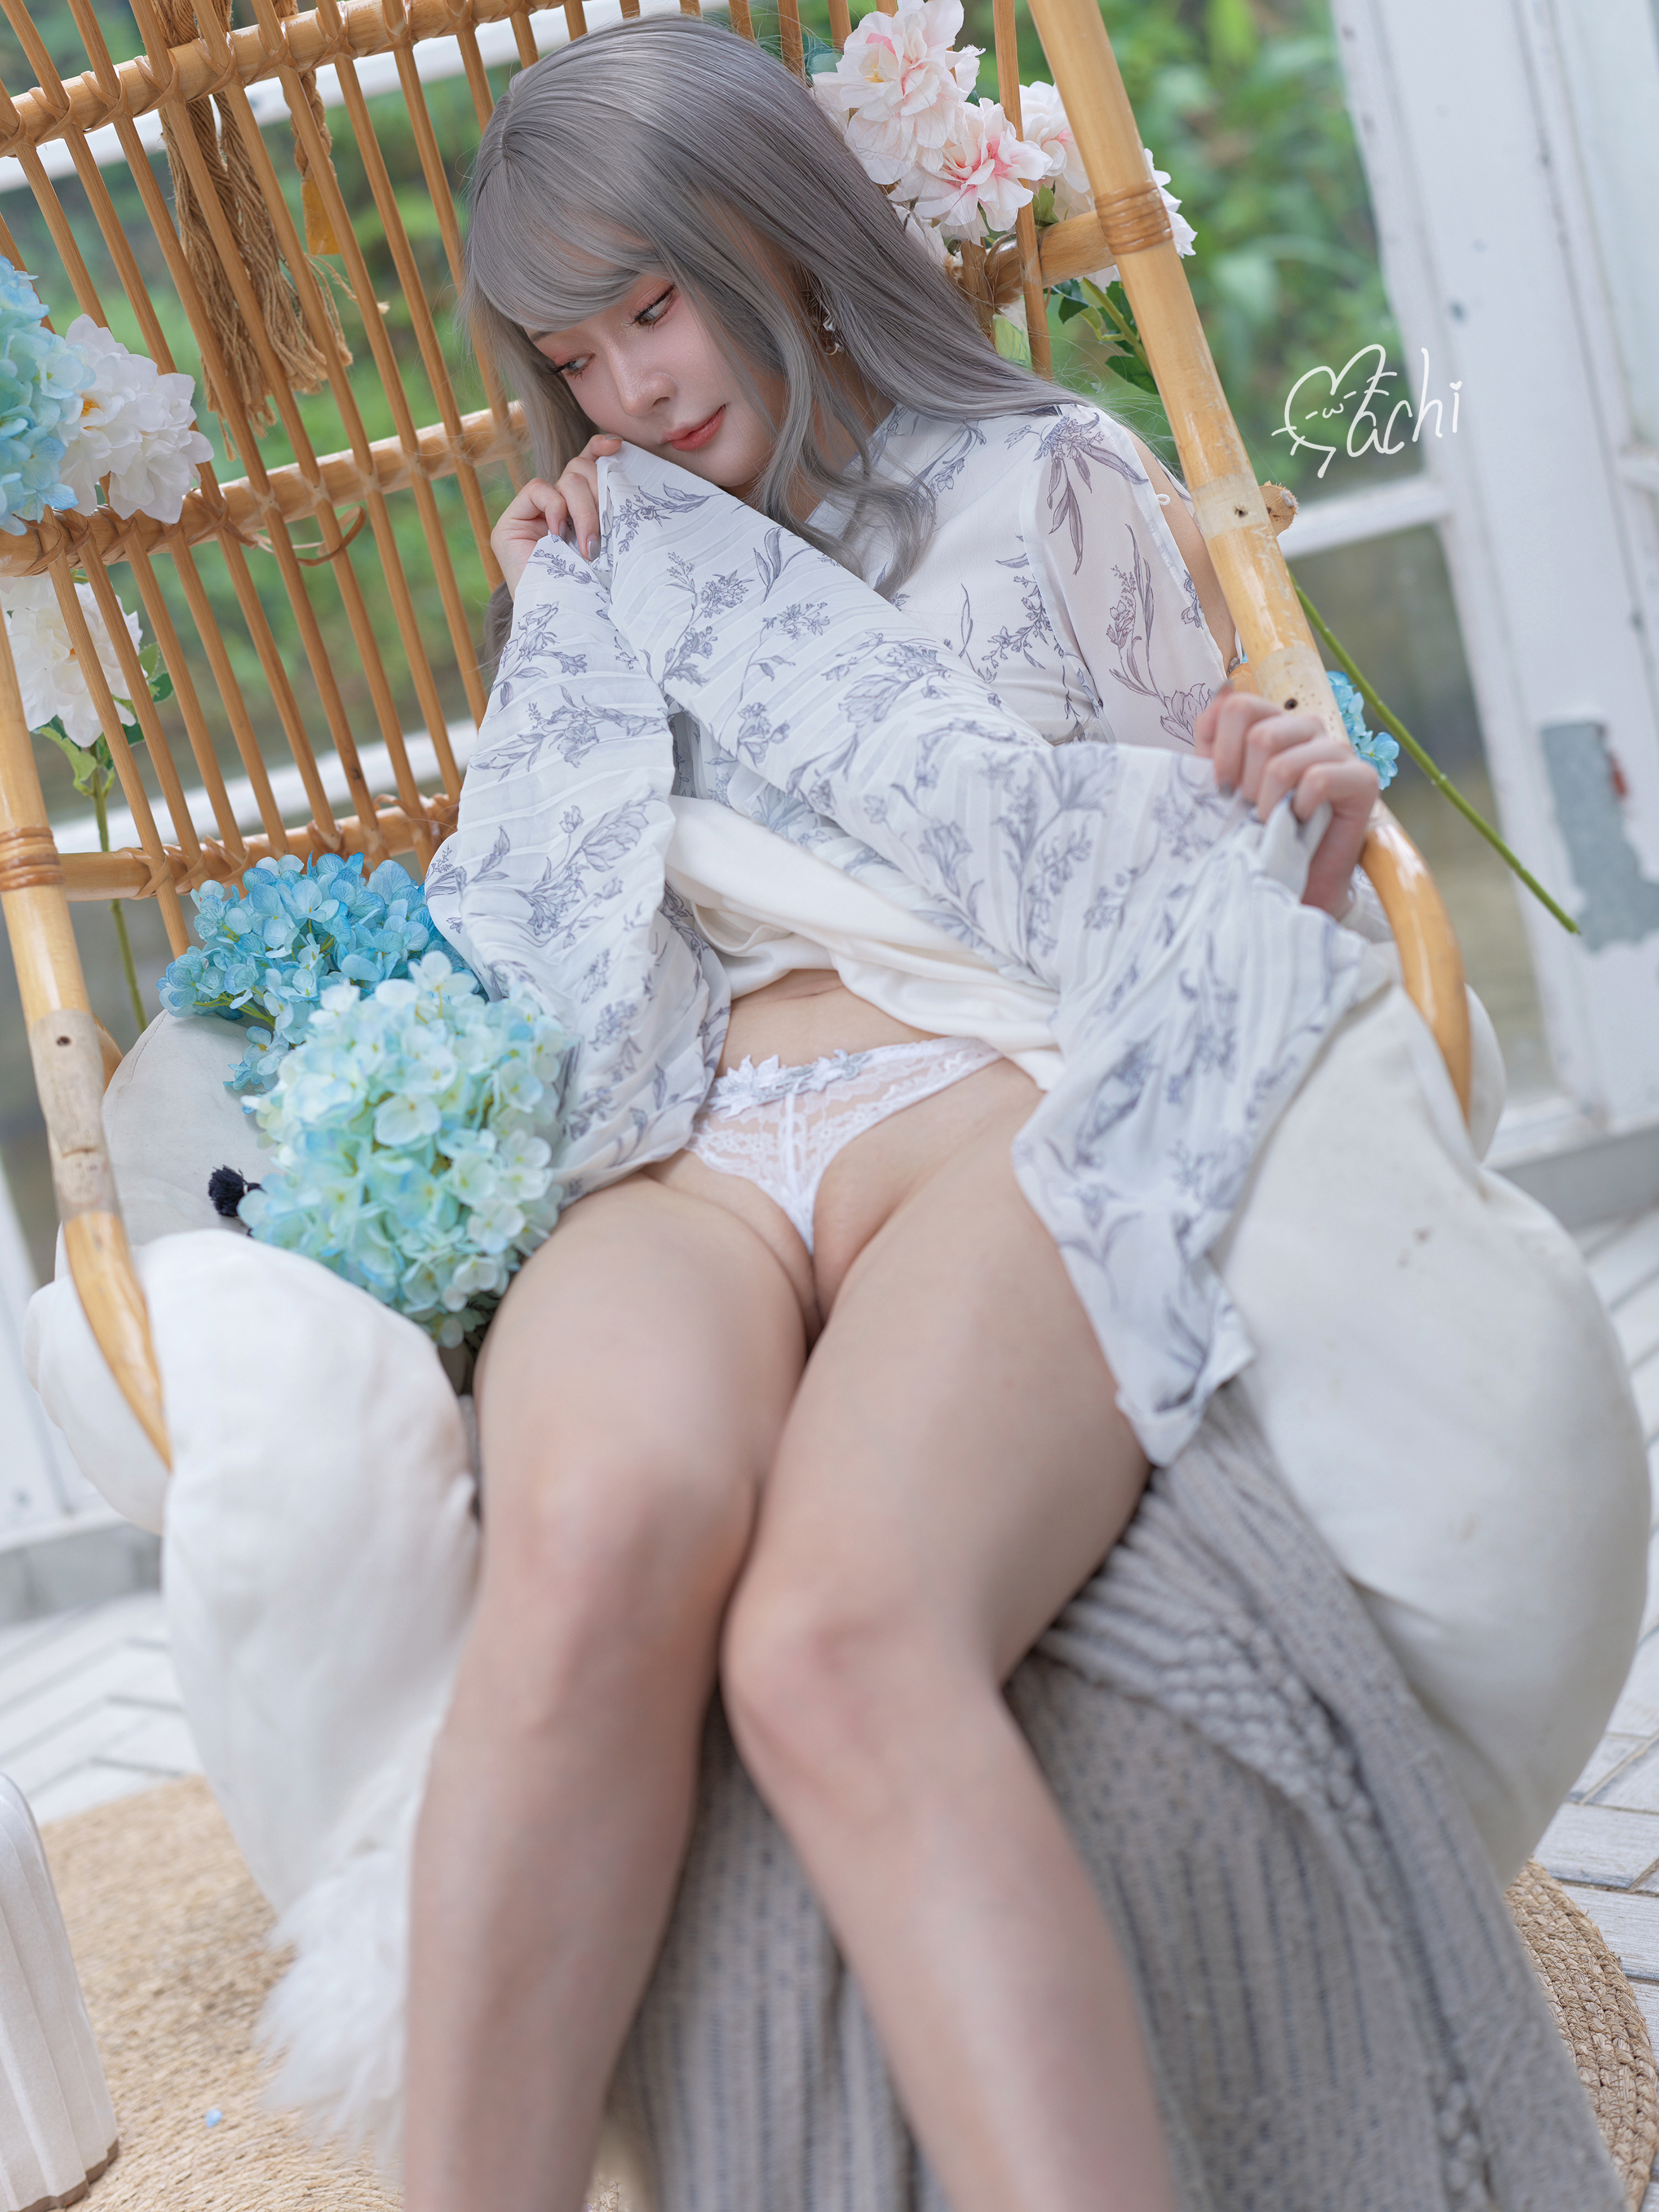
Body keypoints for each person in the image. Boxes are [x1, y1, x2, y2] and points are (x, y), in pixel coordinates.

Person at [404, 18, 1646, 2212]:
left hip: (964, 1110)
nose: (628, 387)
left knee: (830, 1645)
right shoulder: (611, 550)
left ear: (771, 229)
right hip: (690, 1141)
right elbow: (563, 909)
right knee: (587, 1547)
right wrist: (560, 626)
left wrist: (1283, 801)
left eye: (651, 305)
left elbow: (1172, 866)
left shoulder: (1045, 473)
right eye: (575, 355)